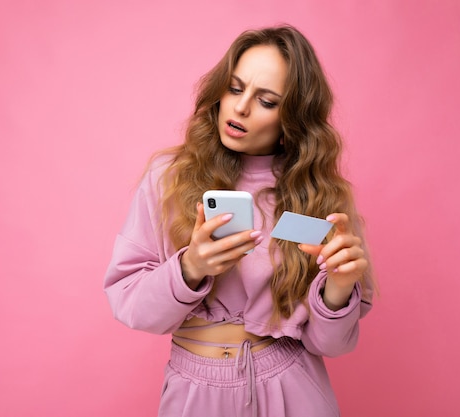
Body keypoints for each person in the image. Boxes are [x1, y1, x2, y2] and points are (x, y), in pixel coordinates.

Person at [104, 24, 374, 417]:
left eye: (266, 101)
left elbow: (329, 345)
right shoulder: (168, 176)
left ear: (292, 119)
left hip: (292, 387)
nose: (241, 107)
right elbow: (131, 305)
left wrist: (338, 289)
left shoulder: (320, 196)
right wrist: (191, 267)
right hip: (194, 391)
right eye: (234, 88)